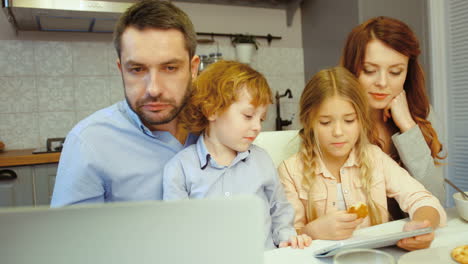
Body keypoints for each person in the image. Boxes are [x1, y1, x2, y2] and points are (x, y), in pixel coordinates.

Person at [278, 67, 446, 251]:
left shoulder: (375, 158)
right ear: (308, 122)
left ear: (361, 120)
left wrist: (422, 225)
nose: (338, 132)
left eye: (349, 120)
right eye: (325, 122)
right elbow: (285, 237)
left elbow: (424, 200)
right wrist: (312, 232)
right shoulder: (290, 170)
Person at [51, 0, 200, 206]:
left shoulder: (215, 125)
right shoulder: (89, 143)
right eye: (137, 69)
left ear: (193, 68)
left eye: (170, 68)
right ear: (121, 69)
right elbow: (71, 237)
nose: (153, 89)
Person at [163, 60, 311, 249]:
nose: (257, 126)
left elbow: (279, 208)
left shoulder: (261, 160)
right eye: (248, 116)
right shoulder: (180, 169)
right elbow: (178, 232)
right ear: (212, 110)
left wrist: (287, 237)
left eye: (261, 118)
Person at [340, 16, 447, 210]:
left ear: (408, 72)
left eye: (395, 72)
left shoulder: (422, 115)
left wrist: (407, 126)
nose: (382, 82)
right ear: (352, 69)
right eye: (369, 70)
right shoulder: (335, 122)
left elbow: (436, 198)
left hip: (417, 233)